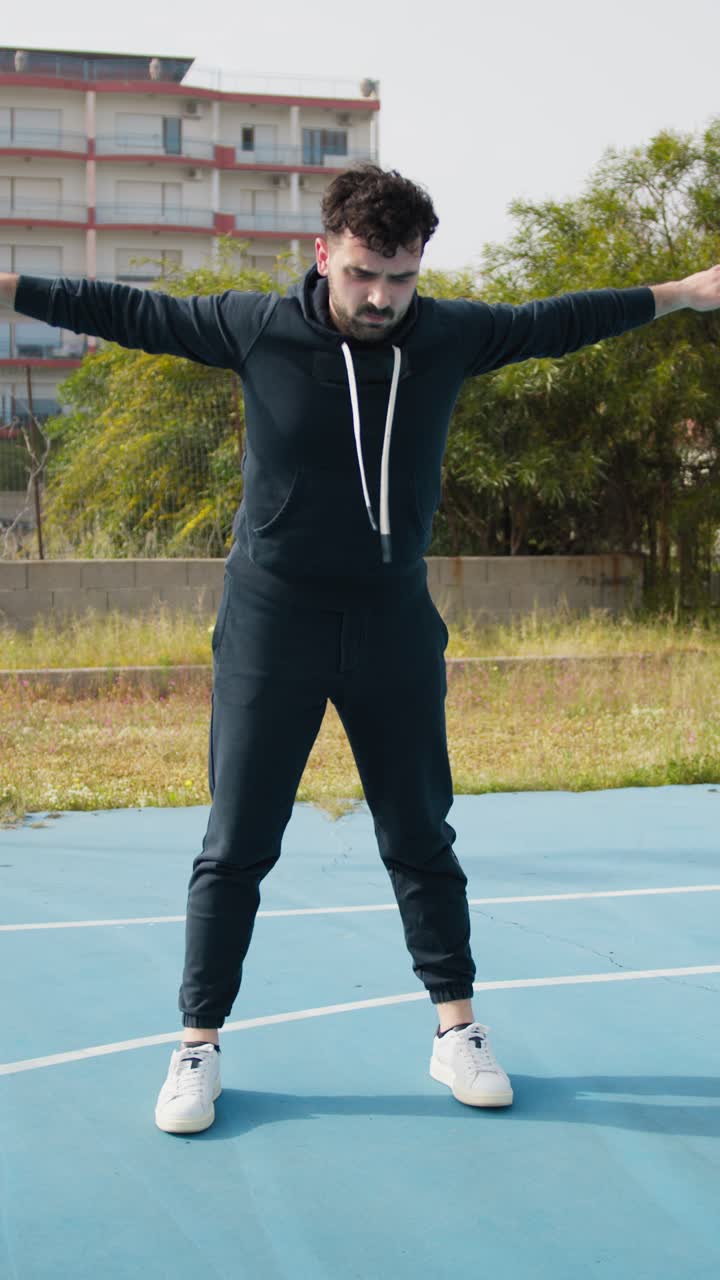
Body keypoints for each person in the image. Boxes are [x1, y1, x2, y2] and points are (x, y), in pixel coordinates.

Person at [2, 164, 719, 1134]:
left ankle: (456, 1029)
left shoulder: (450, 334)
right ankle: (197, 1044)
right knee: (237, 843)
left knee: (421, 832)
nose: (381, 297)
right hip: (272, 620)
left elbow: (559, 319)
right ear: (323, 252)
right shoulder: (256, 327)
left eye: (401, 278)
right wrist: (14, 287)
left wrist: (681, 293)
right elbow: (125, 307)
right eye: (362, 274)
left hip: (391, 619)